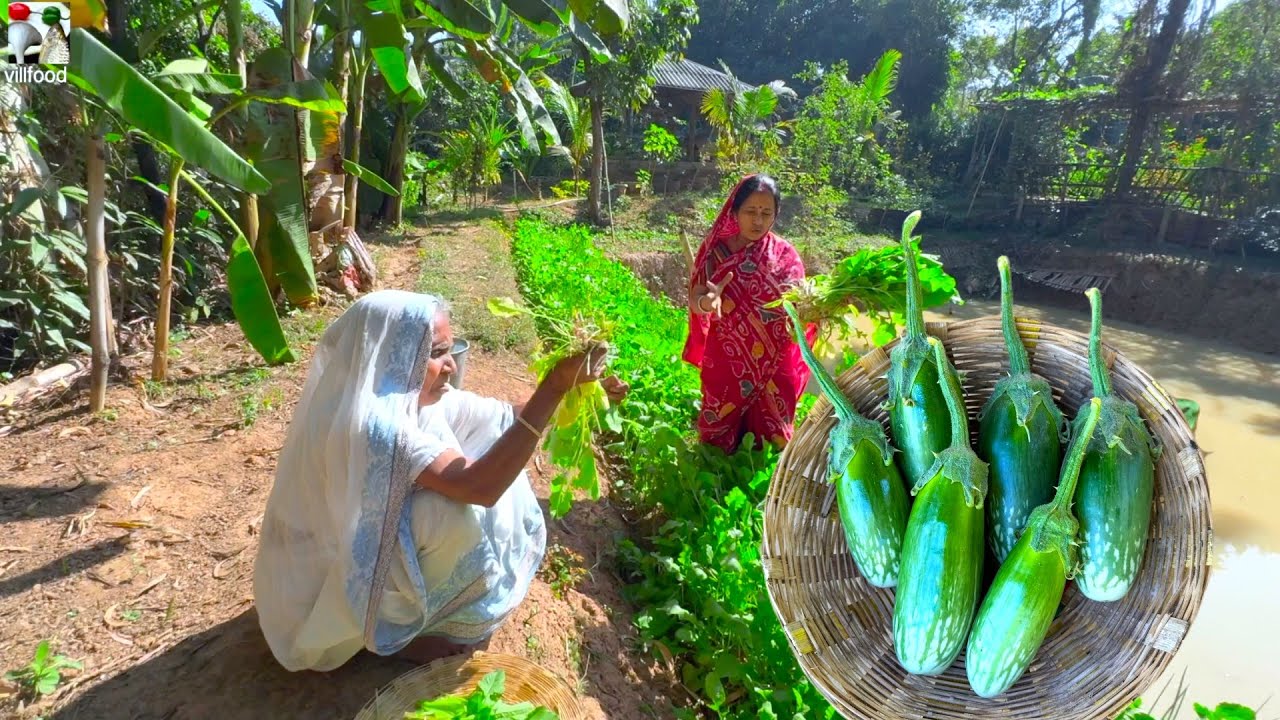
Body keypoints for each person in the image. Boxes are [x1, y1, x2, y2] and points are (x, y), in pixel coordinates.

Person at [252, 289, 626, 671]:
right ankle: (387, 635)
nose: (450, 365)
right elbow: (480, 488)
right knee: (448, 513)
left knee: (500, 451)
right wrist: (553, 386)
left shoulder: (405, 396)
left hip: (364, 540)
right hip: (339, 571)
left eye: (449, 351)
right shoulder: (377, 426)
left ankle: (410, 614)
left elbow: (505, 419)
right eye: (435, 354)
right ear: (391, 357)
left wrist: (578, 395)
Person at [683, 174, 816, 453]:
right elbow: (696, 297)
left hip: (775, 363)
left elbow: (800, 306)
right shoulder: (716, 254)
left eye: (766, 213)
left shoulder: (785, 255)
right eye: (750, 212)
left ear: (776, 215)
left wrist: (818, 309)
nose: (758, 221)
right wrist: (708, 302)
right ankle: (714, 481)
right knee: (716, 443)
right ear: (734, 212)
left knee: (773, 442)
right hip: (726, 360)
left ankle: (767, 490)